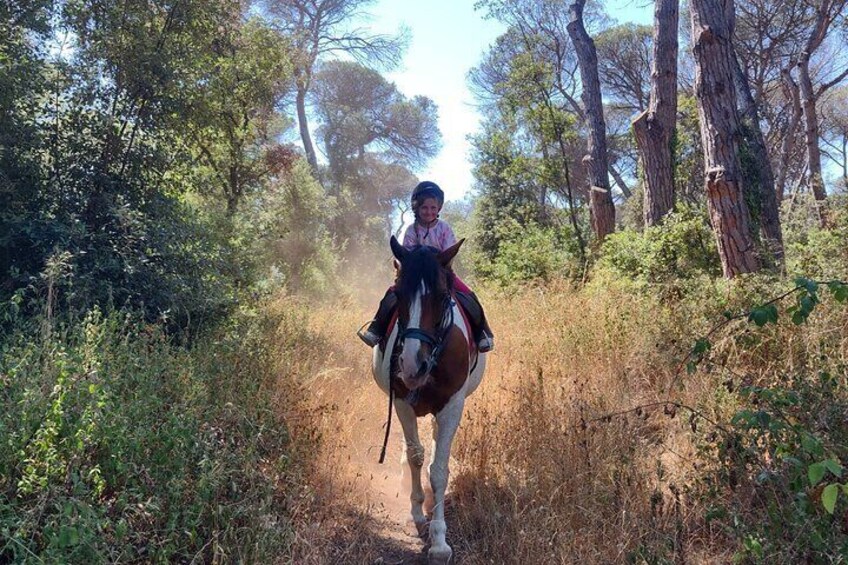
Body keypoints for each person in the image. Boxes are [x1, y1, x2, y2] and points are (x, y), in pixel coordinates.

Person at [357, 181, 495, 352]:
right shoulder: (410, 230)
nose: (429, 211)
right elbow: (407, 256)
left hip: (441, 273)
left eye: (433, 207)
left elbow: (449, 252)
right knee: (391, 294)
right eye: (424, 208)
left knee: (469, 295)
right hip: (415, 276)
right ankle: (376, 330)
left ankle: (483, 332)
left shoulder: (444, 228)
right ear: (416, 208)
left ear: (439, 208)